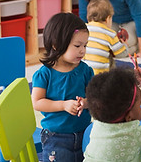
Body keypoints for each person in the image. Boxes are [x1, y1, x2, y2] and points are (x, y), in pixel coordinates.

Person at [31, 13, 95, 162]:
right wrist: (63, 105)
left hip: (86, 132)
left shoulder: (85, 71)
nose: (83, 50)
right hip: (56, 137)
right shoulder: (44, 74)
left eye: (85, 45)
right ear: (57, 45)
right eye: (77, 46)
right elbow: (37, 102)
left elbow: (96, 98)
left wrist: (86, 103)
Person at [83, 0, 127, 74]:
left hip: (83, 73)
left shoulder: (83, 29)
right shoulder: (110, 34)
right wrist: (124, 44)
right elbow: (122, 54)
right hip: (100, 76)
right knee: (111, 59)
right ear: (108, 18)